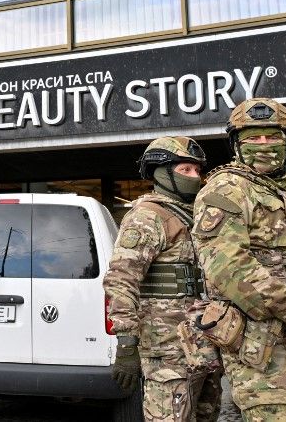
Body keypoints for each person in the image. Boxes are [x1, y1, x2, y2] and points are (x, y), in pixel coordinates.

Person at [192, 98, 286, 422]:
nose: (263, 145)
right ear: (236, 144)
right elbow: (228, 266)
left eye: (272, 137)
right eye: (253, 138)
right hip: (262, 348)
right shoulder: (228, 189)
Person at [103, 136, 223, 422]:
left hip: (205, 344)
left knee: (208, 415)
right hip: (167, 349)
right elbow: (121, 280)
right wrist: (127, 343)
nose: (195, 177)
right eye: (185, 170)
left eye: (197, 170)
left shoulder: (196, 216)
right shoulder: (147, 217)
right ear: (161, 172)